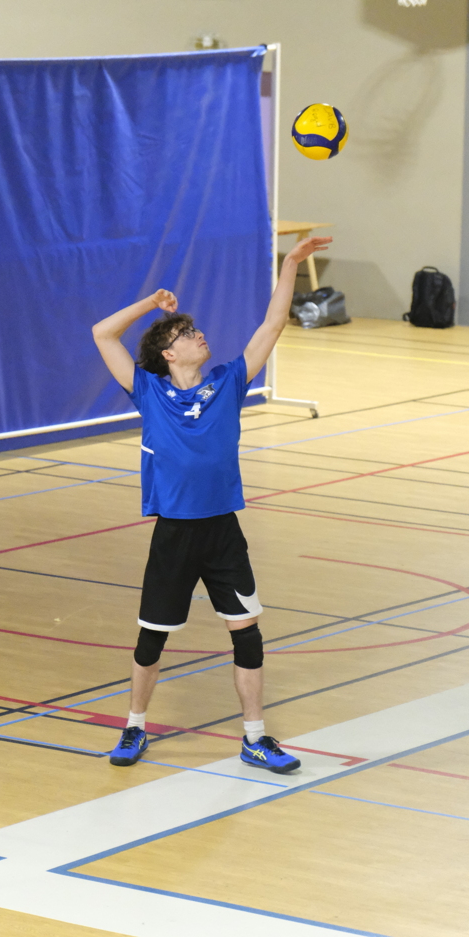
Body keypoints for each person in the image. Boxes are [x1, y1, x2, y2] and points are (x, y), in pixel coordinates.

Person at [92, 234, 332, 772]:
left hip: (222, 530)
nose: (199, 335)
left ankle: (255, 738)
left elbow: (273, 325)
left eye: (195, 330)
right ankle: (134, 727)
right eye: (185, 334)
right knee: (152, 639)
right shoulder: (148, 391)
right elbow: (102, 333)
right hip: (174, 534)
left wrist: (291, 265)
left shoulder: (228, 381)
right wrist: (151, 304)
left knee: (247, 635)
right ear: (167, 354)